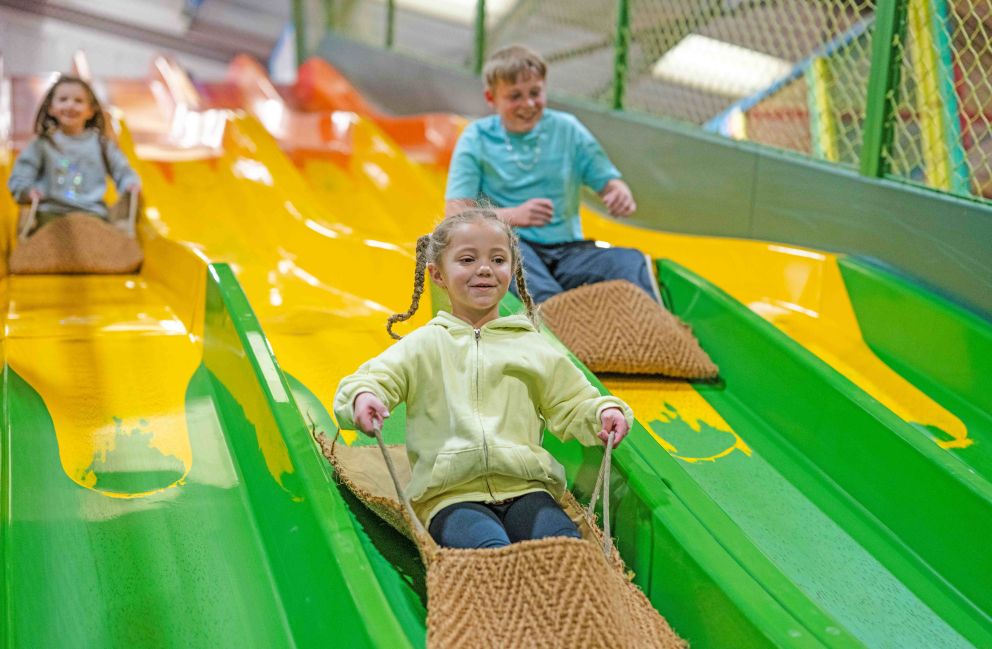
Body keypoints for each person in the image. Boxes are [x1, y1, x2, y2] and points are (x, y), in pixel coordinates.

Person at [333, 209, 633, 549]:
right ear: (438, 275)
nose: (485, 268)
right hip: (451, 495)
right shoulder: (425, 344)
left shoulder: (531, 344)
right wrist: (364, 398)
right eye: (467, 259)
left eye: (498, 259)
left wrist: (603, 413)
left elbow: (573, 401)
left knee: (564, 549)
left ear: (512, 269)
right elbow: (371, 380)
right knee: (490, 555)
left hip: (527, 488)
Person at [445, 45, 657, 305]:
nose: (529, 104)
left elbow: (609, 183)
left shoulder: (567, 130)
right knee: (518, 265)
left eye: (535, 93)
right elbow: (455, 215)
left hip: (568, 252)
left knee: (629, 262)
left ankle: (652, 334)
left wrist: (618, 193)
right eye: (515, 96)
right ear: (491, 98)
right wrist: (514, 215)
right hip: (511, 246)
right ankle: (556, 322)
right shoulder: (477, 138)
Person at [7, 75, 140, 235]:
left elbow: (122, 170)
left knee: (100, 246)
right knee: (50, 247)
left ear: (91, 110)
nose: (70, 105)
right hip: (51, 214)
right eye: (63, 99)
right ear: (51, 108)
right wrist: (27, 191)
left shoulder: (101, 144)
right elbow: (20, 177)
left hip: (93, 214)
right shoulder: (42, 145)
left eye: (78, 101)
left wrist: (129, 183)